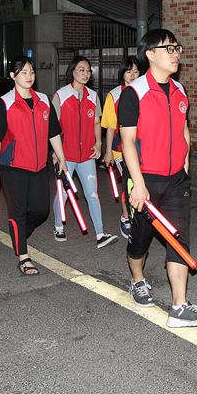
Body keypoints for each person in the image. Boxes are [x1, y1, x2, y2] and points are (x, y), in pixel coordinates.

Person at [118, 28, 197, 328]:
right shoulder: (134, 94)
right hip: (145, 179)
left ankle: (179, 306)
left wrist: (185, 165)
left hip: (176, 181)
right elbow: (127, 142)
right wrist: (138, 184)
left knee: (179, 240)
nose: (175, 54)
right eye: (168, 49)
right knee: (140, 240)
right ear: (149, 54)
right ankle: (137, 279)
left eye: (177, 48)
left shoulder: (180, 91)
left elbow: (184, 129)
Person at [0, 56, 68, 275]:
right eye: (23, 72)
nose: (29, 76)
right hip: (13, 167)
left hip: (40, 166)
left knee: (42, 210)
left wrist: (61, 157)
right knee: (18, 210)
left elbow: (53, 133)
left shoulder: (43, 100)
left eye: (31, 72)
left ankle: (20, 231)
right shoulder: (4, 103)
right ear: (13, 76)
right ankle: (23, 256)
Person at [51, 56, 118, 249]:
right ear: (72, 72)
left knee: (92, 194)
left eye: (88, 70)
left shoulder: (93, 96)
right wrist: (56, 153)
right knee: (63, 193)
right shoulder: (60, 96)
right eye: (81, 70)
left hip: (87, 155)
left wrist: (98, 144)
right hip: (66, 155)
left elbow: (97, 122)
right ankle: (58, 226)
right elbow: (53, 128)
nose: (86, 73)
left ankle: (100, 234)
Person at [101, 56, 141, 238]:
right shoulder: (114, 95)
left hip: (142, 146)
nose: (133, 75)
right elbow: (110, 126)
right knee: (129, 182)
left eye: (136, 71)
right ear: (122, 73)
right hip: (120, 148)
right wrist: (108, 151)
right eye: (129, 71)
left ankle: (139, 217)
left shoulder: (144, 91)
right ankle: (126, 217)